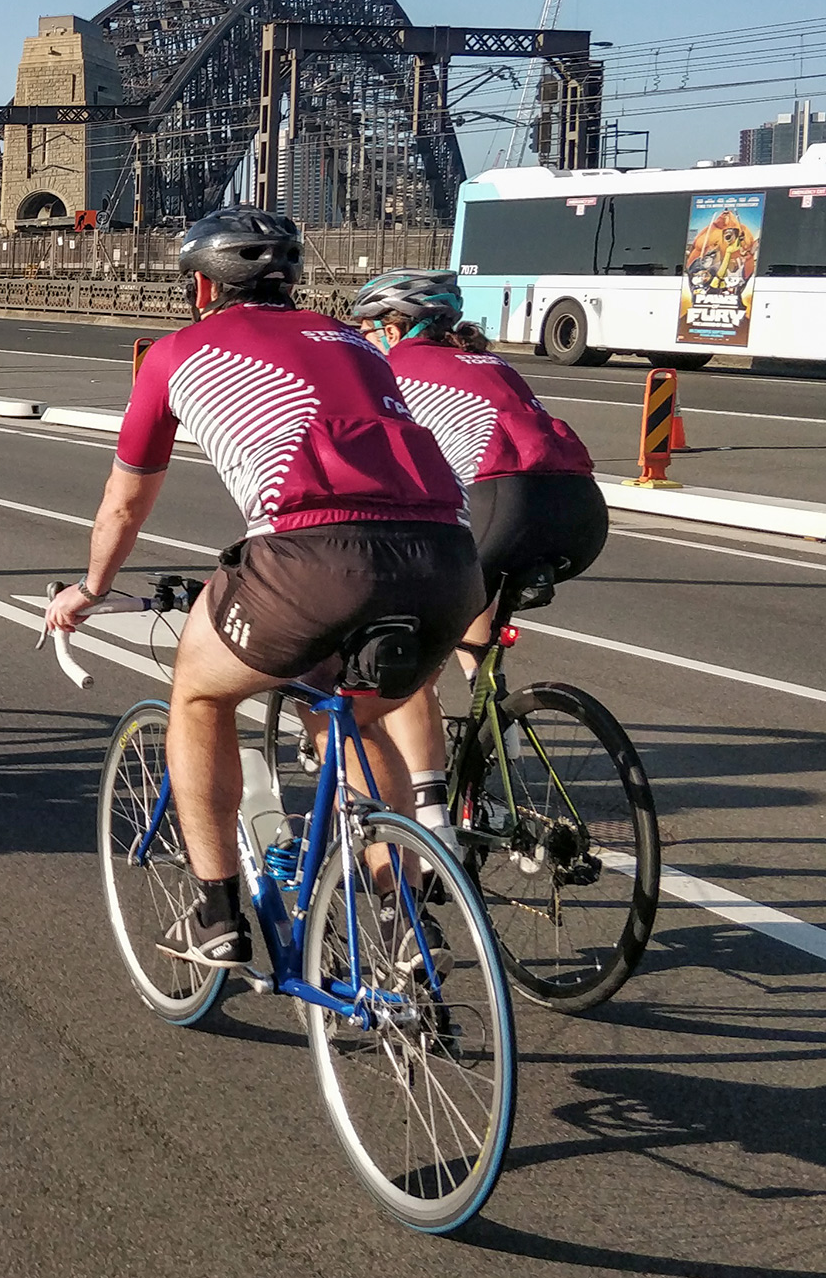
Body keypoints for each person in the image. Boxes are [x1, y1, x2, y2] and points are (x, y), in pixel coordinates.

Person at [44, 208, 481, 968]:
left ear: (203, 289)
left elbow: (125, 502)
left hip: (312, 558)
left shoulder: (175, 354)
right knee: (352, 716)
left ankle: (215, 915)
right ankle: (402, 922)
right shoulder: (354, 340)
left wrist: (90, 588)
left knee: (201, 694)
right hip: (447, 558)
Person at [349, 269, 607, 836]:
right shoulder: (486, 362)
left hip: (505, 501)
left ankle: (432, 820)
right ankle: (499, 733)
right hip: (581, 512)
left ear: (392, 328)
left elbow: (374, 465)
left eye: (366, 326)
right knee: (469, 611)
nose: (361, 337)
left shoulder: (391, 367)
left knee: (405, 652)